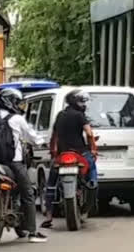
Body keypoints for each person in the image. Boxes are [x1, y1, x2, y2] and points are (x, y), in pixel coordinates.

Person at [0, 88, 48, 243]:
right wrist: (43, 142)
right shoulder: (17, 119)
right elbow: (33, 138)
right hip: (14, 162)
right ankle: (32, 232)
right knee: (28, 193)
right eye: (17, 102)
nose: (19, 105)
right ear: (10, 102)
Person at [41, 89, 99, 229]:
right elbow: (89, 133)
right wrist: (93, 149)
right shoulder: (80, 116)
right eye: (82, 101)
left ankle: (49, 215)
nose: (84, 104)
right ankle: (90, 192)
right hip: (79, 154)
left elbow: (54, 136)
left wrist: (53, 152)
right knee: (92, 170)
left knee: (51, 184)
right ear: (76, 102)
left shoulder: (60, 115)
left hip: (62, 155)